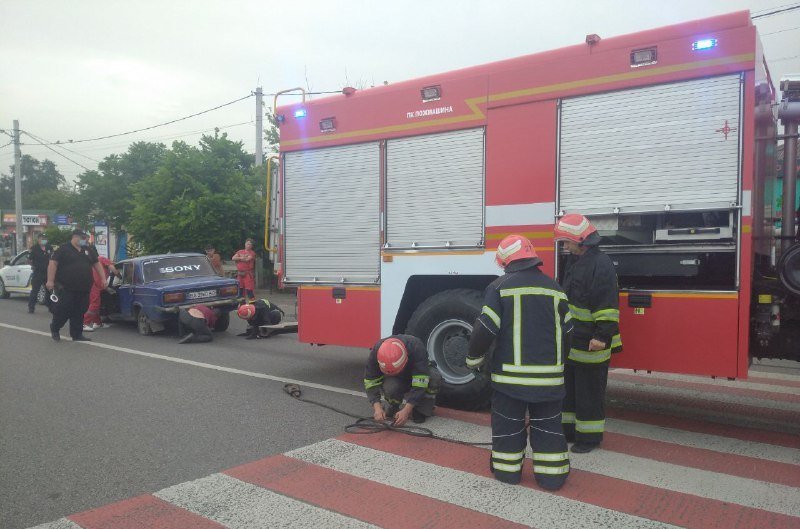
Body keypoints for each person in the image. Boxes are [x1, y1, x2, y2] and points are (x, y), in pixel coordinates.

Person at [466, 234, 573, 490]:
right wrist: (558, 366)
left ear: (506, 261)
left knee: (508, 428)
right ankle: (552, 478)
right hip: (550, 381)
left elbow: (485, 329)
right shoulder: (556, 290)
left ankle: (507, 473)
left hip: (509, 382)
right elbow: (569, 333)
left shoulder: (499, 288)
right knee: (549, 429)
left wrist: (474, 360)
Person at [554, 214, 622, 454]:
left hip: (593, 342)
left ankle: (589, 438)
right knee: (570, 390)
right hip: (575, 341)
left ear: (581, 240)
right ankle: (569, 431)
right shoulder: (577, 261)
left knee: (589, 393)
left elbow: (607, 306)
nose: (564, 246)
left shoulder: (600, 264)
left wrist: (601, 337)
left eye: (566, 241)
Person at [363, 335, 441, 426]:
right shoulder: (376, 353)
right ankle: (394, 406)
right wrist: (377, 408)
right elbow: (371, 382)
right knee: (390, 386)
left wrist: (407, 411)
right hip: (399, 378)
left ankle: (421, 408)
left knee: (434, 377)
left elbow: (420, 383)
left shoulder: (416, 347)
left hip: (417, 372)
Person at [46, 229, 106, 342]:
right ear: (75, 237)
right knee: (63, 310)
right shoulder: (63, 249)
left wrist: (103, 278)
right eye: (83, 238)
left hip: (84, 287)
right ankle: (55, 328)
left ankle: (77, 334)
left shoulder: (87, 249)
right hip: (67, 287)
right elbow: (53, 263)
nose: (85, 240)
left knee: (79, 311)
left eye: (86, 238)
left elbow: (96, 263)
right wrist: (50, 280)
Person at [82, 248, 118, 332]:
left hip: (92, 284)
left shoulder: (89, 262)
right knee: (95, 304)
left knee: (94, 305)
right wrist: (120, 276)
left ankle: (97, 322)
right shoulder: (101, 259)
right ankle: (85, 323)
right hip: (94, 284)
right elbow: (114, 270)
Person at [27, 233, 53, 313]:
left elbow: (53, 258)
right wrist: (34, 266)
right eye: (42, 239)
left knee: (49, 291)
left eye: (45, 238)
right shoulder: (34, 248)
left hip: (47, 273)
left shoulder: (49, 247)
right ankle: (31, 307)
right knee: (35, 290)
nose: (44, 240)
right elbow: (29, 260)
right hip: (38, 273)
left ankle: (51, 307)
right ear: (38, 239)